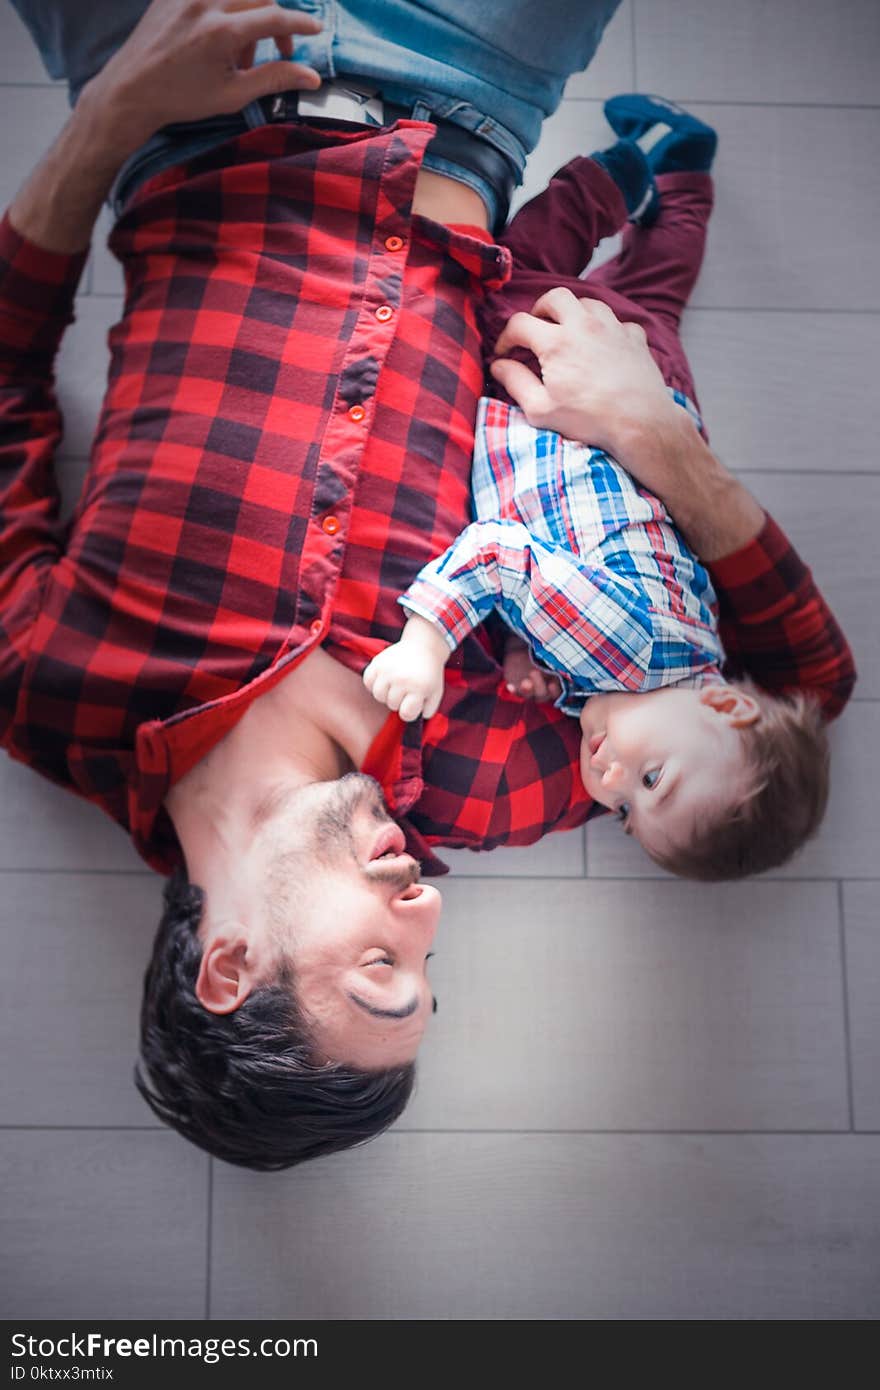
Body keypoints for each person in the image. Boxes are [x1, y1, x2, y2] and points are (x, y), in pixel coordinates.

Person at [0, 1, 855, 1168]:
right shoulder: (489, 785)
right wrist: (663, 445)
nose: (430, 914)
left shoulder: (54, 693)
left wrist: (110, 115)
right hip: (467, 84)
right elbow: (803, 688)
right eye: (428, 967)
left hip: (171, 84)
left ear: (231, 963)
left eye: (380, 968)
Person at [363, 96, 832, 880]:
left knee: (653, 294)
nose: (608, 782)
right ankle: (614, 177)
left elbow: (563, 576)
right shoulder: (627, 651)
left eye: (623, 814)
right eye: (653, 781)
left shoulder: (682, 658)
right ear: (727, 705)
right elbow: (500, 553)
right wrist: (425, 645)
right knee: (514, 259)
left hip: (656, 386)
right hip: (550, 383)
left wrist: (524, 652)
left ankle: (684, 168)